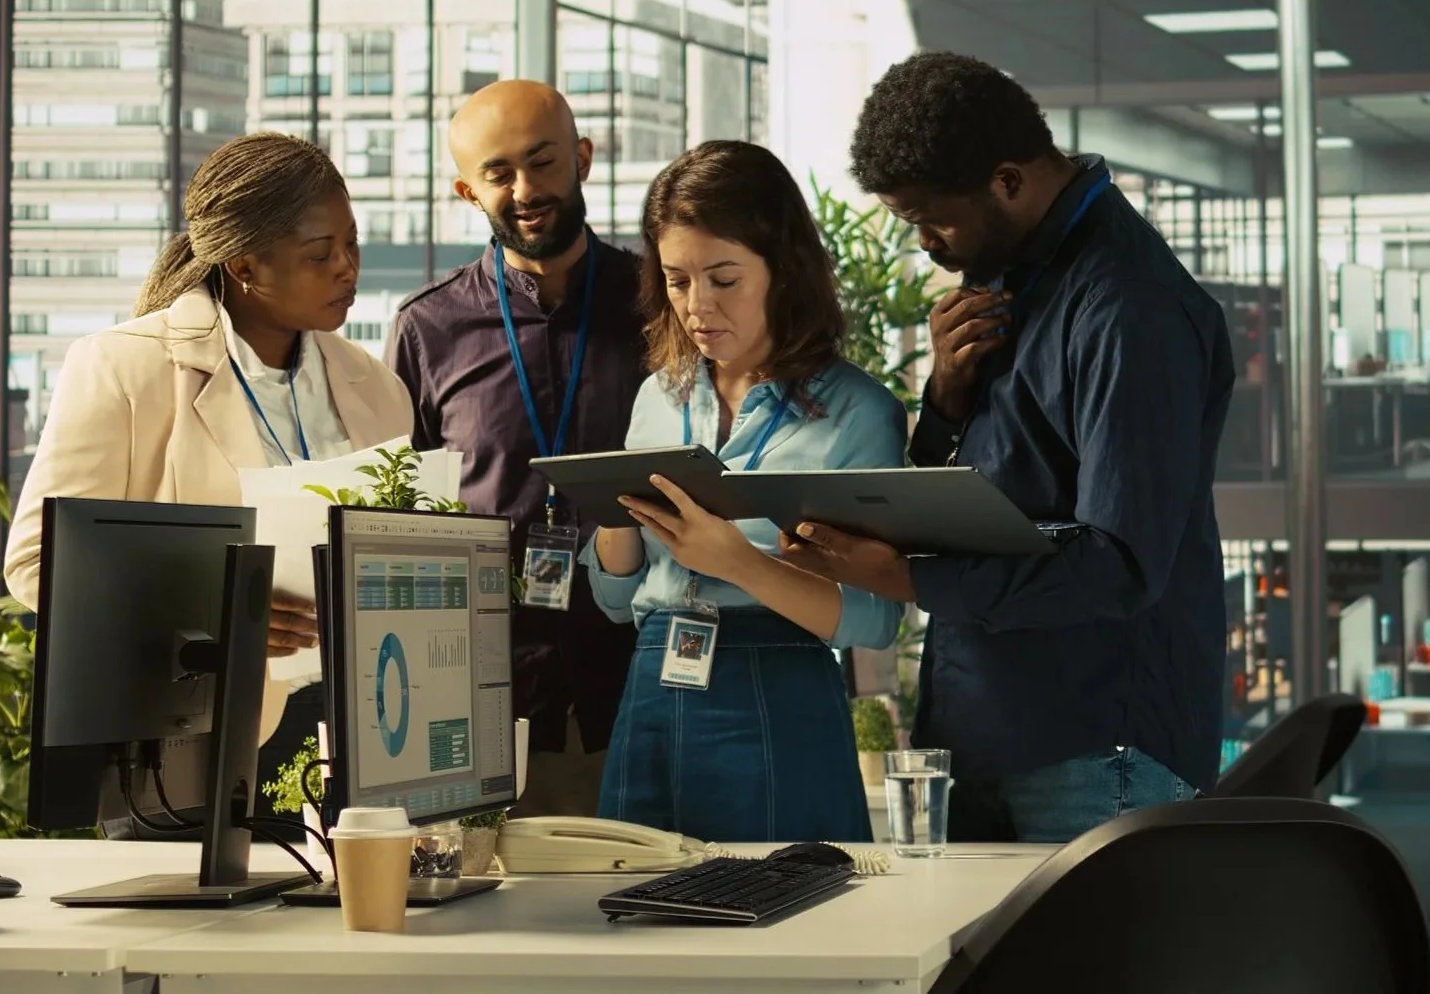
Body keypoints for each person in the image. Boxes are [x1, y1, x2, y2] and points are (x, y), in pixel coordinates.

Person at [783, 52, 1235, 843]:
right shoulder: (1008, 281)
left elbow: (1119, 562)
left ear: (1006, 180)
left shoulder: (1128, 308)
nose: (924, 243)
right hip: (980, 730)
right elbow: (992, 499)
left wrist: (905, 576)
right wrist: (944, 401)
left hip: (1097, 748)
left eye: (933, 218)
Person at [5, 131, 414, 752]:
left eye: (352, 243)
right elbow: (38, 563)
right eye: (319, 253)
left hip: (365, 726)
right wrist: (221, 607)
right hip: (192, 730)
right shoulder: (124, 368)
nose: (347, 267)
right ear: (244, 266)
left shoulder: (377, 387)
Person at [583, 139, 907, 844]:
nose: (697, 306)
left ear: (782, 271)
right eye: (675, 280)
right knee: (635, 927)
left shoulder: (860, 412)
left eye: (723, 278)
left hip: (778, 690)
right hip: (652, 681)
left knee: (782, 928)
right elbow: (615, 603)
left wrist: (737, 563)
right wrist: (611, 522)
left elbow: (875, 623)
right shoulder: (656, 397)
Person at [384, 80, 646, 817]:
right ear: (468, 191)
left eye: (543, 162)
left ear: (583, 158)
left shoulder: (659, 302)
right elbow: (401, 516)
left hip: (644, 682)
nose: (525, 189)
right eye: (499, 173)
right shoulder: (425, 330)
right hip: (481, 699)